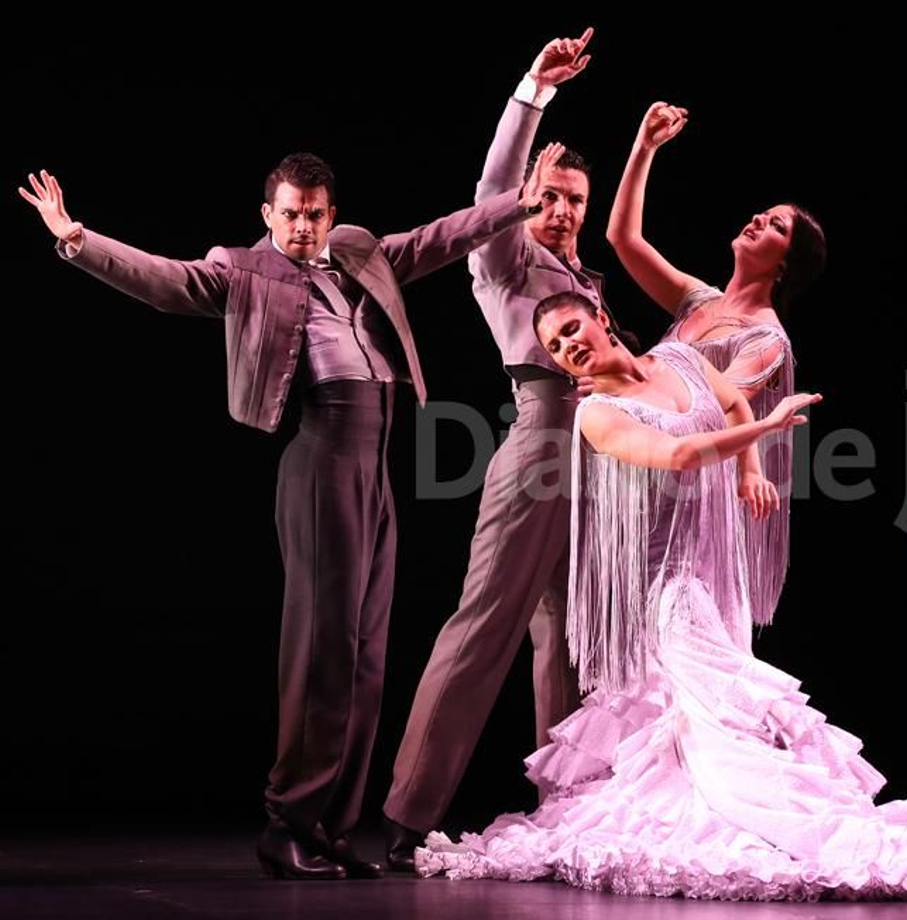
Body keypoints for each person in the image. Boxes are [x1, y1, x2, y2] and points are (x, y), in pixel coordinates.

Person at [416, 293, 907, 899]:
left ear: (602, 319)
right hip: (664, 584)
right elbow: (685, 453)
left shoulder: (680, 358)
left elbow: (729, 406)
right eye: (556, 346)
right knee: (724, 714)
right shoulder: (597, 414)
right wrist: (770, 428)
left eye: (572, 329)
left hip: (715, 566)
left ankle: (736, 810)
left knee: (703, 715)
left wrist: (751, 471)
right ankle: (788, 825)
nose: (568, 346)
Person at [18, 155, 542, 880]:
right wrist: (78, 239)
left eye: (315, 213)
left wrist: (519, 203)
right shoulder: (241, 268)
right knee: (323, 649)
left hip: (378, 463)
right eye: (290, 213)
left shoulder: (359, 250)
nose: (303, 226)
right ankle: (287, 823)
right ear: (268, 214)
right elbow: (168, 283)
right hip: (323, 460)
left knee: (366, 655)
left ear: (332, 213)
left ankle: (330, 826)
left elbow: (438, 237)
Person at [382, 29, 616, 873]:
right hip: (539, 443)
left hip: (595, 458)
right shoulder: (508, 263)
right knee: (485, 624)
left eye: (574, 201)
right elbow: (489, 188)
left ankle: (571, 808)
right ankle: (409, 811)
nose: (562, 211)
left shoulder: (584, 281)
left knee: (570, 638)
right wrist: (532, 93)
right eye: (551, 196)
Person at [605, 101, 826, 628]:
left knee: (675, 643)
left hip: (691, 498)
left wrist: (625, 383)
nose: (755, 219)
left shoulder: (766, 339)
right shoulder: (698, 301)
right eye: (761, 213)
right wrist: (645, 149)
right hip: (647, 472)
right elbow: (623, 239)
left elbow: (710, 407)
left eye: (773, 226)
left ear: (784, 265)